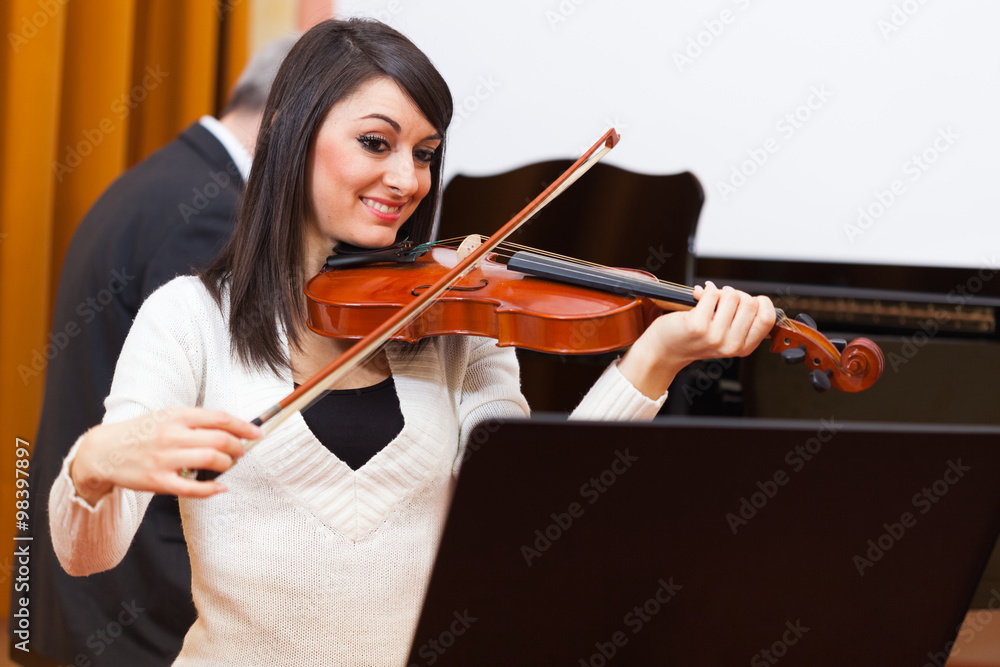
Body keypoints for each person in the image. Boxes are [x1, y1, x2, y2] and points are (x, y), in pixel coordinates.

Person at [47, 19, 775, 665]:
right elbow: (86, 554)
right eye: (376, 142)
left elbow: (525, 522)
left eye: (425, 153)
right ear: (293, 135)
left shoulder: (454, 325)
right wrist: (93, 467)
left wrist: (652, 361)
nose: (408, 179)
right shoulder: (190, 318)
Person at [12, 36, 298, 667]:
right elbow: (204, 422)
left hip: (88, 590)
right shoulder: (214, 215)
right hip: (135, 592)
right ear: (288, 121)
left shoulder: (166, 177)